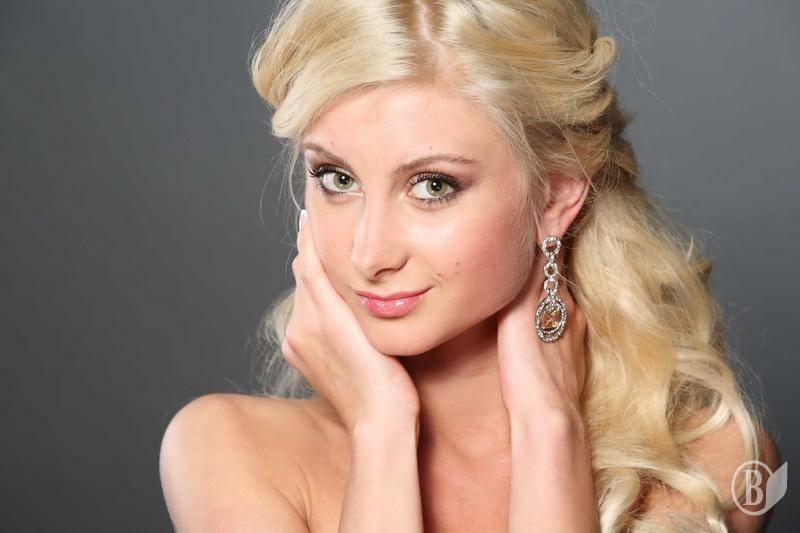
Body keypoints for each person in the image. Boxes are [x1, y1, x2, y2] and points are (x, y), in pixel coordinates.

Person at [159, 1, 782, 531]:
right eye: (336, 178)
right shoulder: (228, 450)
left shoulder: (719, 462)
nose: (368, 254)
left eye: (433, 186)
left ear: (555, 197)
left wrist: (549, 425)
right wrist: (381, 428)